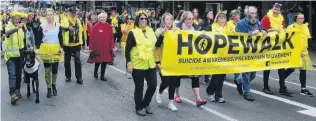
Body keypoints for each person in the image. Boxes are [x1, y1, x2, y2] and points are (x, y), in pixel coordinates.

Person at [125, 10, 158, 116]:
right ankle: (139, 107)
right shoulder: (133, 33)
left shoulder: (151, 31)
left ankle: (146, 103)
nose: (144, 20)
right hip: (138, 65)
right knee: (139, 87)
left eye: (145, 18)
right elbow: (128, 49)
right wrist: (129, 63)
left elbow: (156, 45)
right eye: (141, 18)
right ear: (138, 21)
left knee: (153, 85)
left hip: (150, 64)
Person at [175, 11, 207, 107]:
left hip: (192, 57)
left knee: (195, 76)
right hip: (180, 56)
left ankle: (198, 98)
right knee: (178, 76)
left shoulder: (197, 29)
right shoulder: (177, 27)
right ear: (184, 19)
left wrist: (204, 34)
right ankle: (177, 95)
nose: (191, 21)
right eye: (189, 19)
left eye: (193, 19)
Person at [235, 6, 267, 101]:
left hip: (254, 53)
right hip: (244, 53)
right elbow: (237, 37)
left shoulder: (258, 22)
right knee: (246, 73)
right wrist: (251, 33)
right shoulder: (241, 23)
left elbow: (263, 31)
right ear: (247, 14)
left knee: (252, 75)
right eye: (251, 13)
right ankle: (247, 92)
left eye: (254, 13)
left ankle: (239, 81)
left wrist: (264, 31)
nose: (253, 15)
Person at [261, 3, 293, 96]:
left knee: (281, 66)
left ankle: (282, 88)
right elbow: (262, 30)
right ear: (272, 9)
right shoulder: (266, 17)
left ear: (280, 11)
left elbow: (282, 28)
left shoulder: (282, 18)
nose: (276, 11)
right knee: (267, 66)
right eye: (274, 9)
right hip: (269, 46)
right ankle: (265, 87)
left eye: (278, 10)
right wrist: (273, 29)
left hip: (279, 45)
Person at [284, 13, 313, 97]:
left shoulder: (305, 27)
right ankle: (281, 82)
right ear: (296, 19)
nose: (301, 20)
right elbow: (287, 40)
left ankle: (303, 89)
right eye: (300, 18)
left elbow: (306, 40)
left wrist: (305, 51)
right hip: (294, 52)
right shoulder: (291, 27)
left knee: (303, 70)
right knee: (291, 69)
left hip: (303, 52)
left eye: (302, 18)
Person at [36, 9, 64, 98]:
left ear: (54, 15)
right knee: (47, 70)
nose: (49, 16)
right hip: (46, 49)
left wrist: (61, 48)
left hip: (55, 49)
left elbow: (60, 38)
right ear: (46, 16)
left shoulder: (58, 25)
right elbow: (38, 38)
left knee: (55, 70)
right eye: (48, 14)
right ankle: (48, 88)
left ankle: (53, 85)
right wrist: (37, 49)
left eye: (51, 14)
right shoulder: (42, 26)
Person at [207, 10, 232, 103]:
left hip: (225, 55)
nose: (222, 20)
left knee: (221, 76)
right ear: (216, 19)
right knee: (217, 75)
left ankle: (218, 95)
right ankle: (210, 92)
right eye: (220, 18)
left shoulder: (229, 28)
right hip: (214, 55)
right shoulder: (211, 27)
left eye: (224, 18)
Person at [155, 13, 178, 111]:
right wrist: (157, 62)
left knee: (173, 82)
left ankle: (171, 102)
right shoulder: (158, 31)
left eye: (171, 19)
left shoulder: (176, 31)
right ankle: (159, 91)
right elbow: (156, 45)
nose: (169, 21)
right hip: (162, 60)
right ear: (163, 21)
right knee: (166, 82)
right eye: (167, 19)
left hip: (173, 61)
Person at [3, 11, 25, 104]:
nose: (16, 21)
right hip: (10, 56)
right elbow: (7, 33)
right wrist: (17, 28)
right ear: (12, 19)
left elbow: (23, 41)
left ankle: (17, 91)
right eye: (15, 19)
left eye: (18, 19)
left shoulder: (22, 27)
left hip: (20, 55)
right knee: (12, 75)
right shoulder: (8, 26)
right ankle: (12, 94)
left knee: (19, 75)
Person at [87, 13, 114, 81]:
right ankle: (95, 72)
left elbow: (111, 37)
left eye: (104, 17)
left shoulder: (109, 26)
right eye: (101, 17)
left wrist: (112, 47)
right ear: (98, 18)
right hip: (97, 47)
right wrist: (91, 48)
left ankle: (102, 76)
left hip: (106, 47)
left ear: (106, 18)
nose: (102, 19)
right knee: (97, 61)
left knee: (104, 62)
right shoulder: (95, 26)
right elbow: (92, 38)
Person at [61, 7, 83, 84]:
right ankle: (68, 76)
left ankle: (79, 78)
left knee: (78, 61)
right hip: (67, 44)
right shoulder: (64, 20)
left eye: (74, 12)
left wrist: (81, 42)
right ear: (69, 13)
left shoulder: (78, 20)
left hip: (76, 44)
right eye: (72, 12)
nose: (73, 14)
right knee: (67, 62)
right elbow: (61, 29)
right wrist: (67, 28)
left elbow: (81, 31)